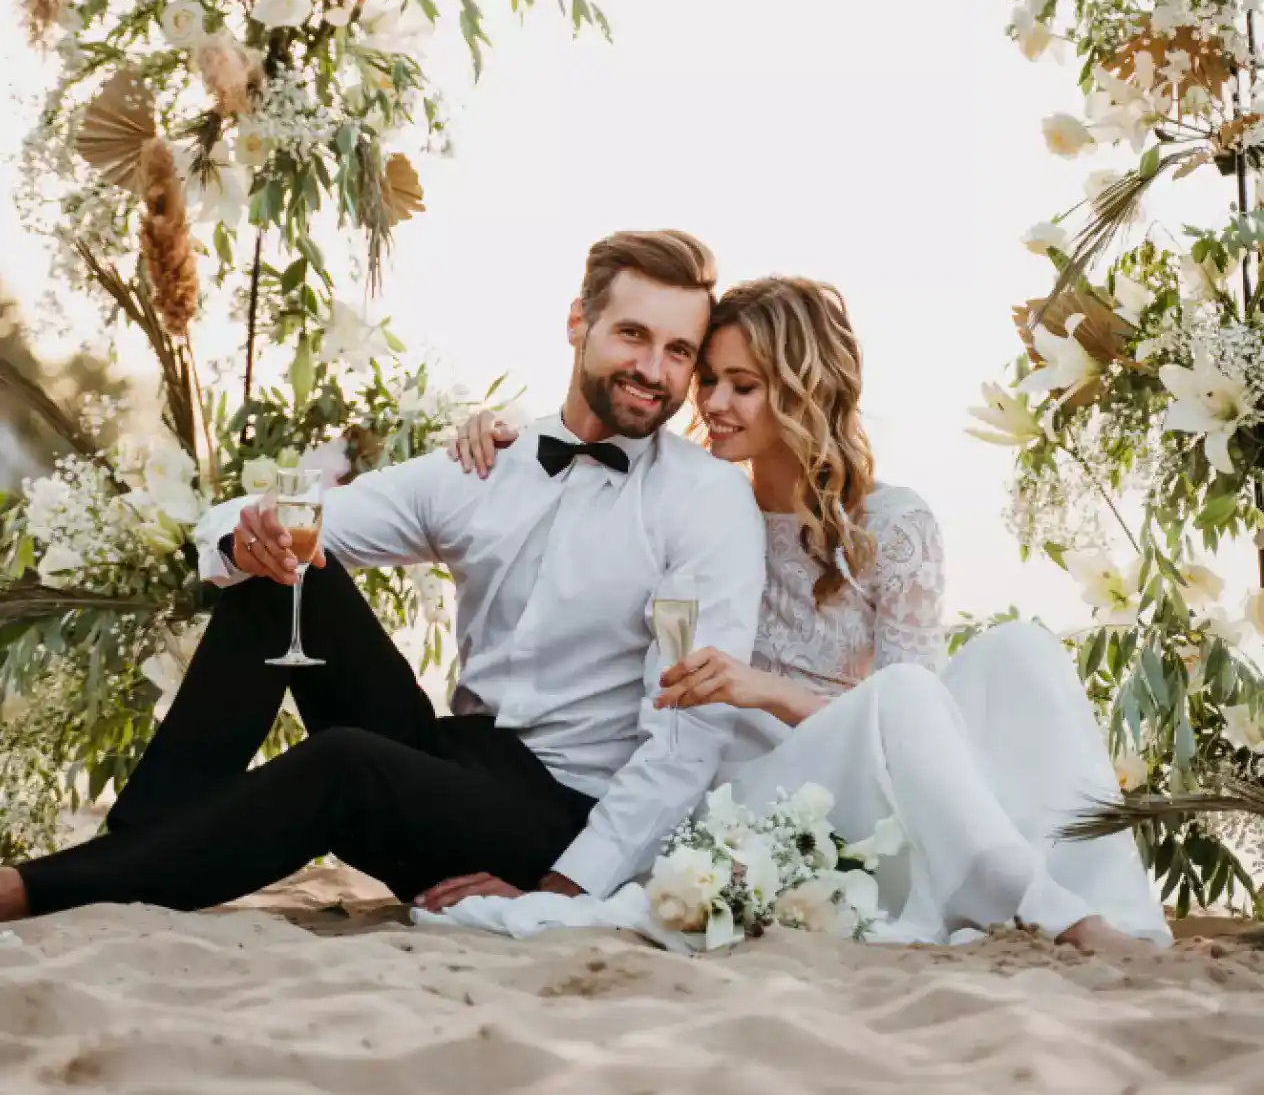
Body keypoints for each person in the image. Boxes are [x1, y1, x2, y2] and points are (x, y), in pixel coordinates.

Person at [0, 230, 767, 921]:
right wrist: (249, 540)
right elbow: (263, 519)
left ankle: (39, 889)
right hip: (451, 764)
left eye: (678, 351)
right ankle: (130, 851)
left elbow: (682, 732)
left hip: (562, 817)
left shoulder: (703, 504)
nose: (652, 370)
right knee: (289, 566)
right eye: (633, 335)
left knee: (344, 764)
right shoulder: (485, 465)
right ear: (578, 323)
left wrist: (562, 891)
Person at [449, 276, 1171, 950]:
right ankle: (1046, 908)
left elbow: (913, 719)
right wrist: (500, 436)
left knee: (1021, 649)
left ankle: (1106, 901)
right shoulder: (692, 509)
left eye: (744, 386)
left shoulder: (894, 523)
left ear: (804, 390)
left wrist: (766, 689)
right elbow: (664, 677)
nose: (713, 405)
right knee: (909, 695)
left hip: (871, 773)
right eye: (708, 382)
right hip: (746, 786)